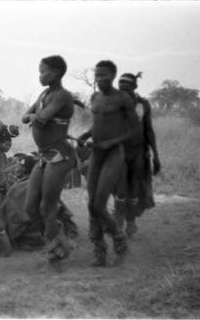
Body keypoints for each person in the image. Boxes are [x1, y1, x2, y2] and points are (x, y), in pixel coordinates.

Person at [77, 60, 140, 267]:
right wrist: (85, 135)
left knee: (99, 204)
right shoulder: (95, 97)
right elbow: (99, 122)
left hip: (114, 153)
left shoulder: (122, 98)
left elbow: (134, 130)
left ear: (113, 76)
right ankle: (100, 252)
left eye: (103, 75)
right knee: (91, 205)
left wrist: (112, 142)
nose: (99, 79)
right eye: (97, 75)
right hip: (96, 153)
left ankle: (119, 240)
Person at [21, 55, 76, 266]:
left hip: (60, 156)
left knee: (47, 207)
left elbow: (41, 119)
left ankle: (55, 253)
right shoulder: (45, 94)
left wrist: (37, 117)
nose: (40, 75)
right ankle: (59, 240)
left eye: (44, 71)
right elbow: (26, 116)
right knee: (30, 208)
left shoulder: (62, 96)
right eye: (39, 71)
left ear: (57, 73)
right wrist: (36, 116)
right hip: (44, 157)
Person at [113, 72, 161, 238]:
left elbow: (149, 130)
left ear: (134, 87)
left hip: (139, 154)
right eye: (120, 88)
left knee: (134, 191)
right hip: (119, 152)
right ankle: (118, 224)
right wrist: (88, 135)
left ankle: (131, 221)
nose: (122, 92)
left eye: (126, 88)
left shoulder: (143, 105)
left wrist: (156, 156)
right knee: (120, 190)